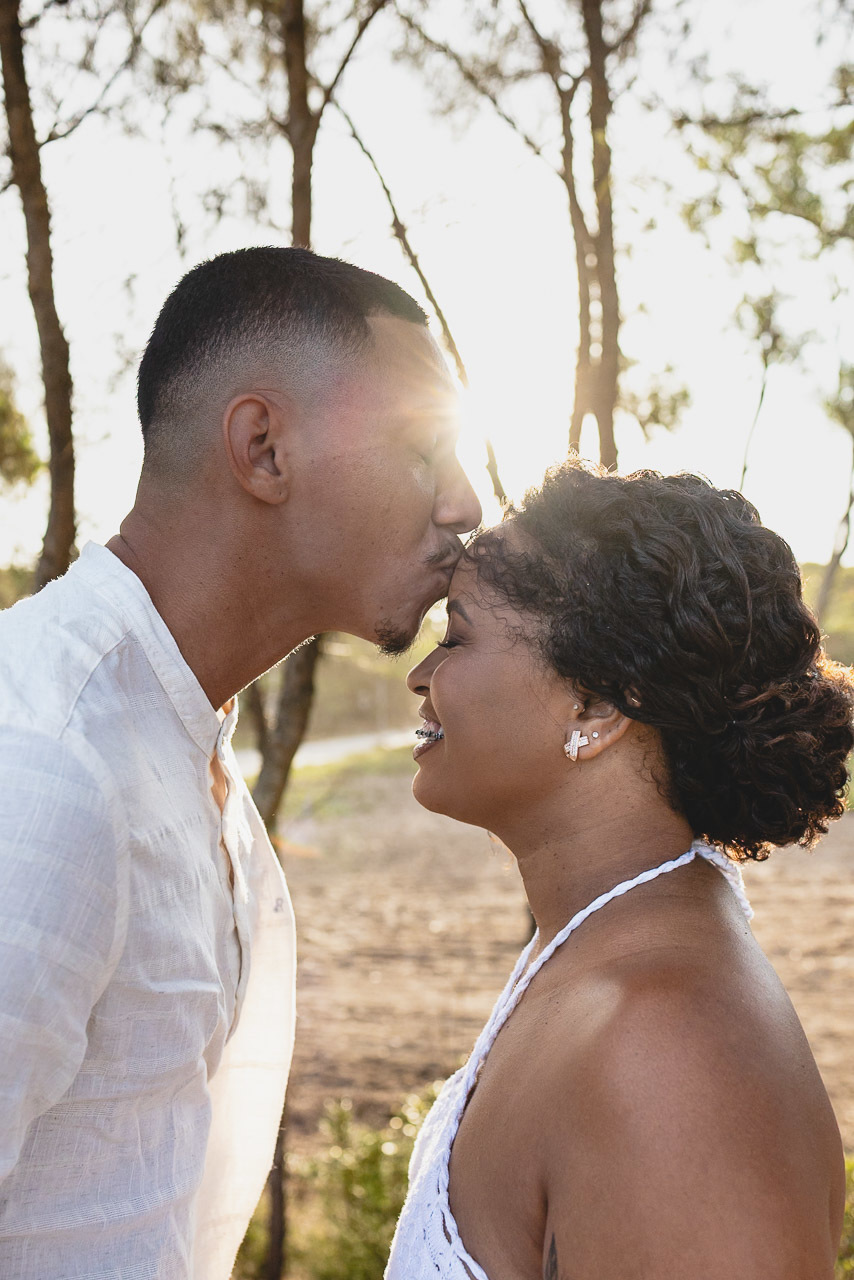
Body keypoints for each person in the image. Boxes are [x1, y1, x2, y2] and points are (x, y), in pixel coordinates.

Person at [0, 246, 481, 1280]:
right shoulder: (43, 760)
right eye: (422, 450)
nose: (465, 503)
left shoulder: (178, 741)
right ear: (263, 449)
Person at [387, 460, 852, 1280]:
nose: (420, 674)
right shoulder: (603, 947)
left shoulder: (670, 1058)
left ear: (597, 707)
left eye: (455, 637)